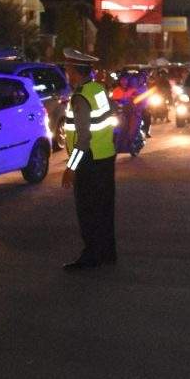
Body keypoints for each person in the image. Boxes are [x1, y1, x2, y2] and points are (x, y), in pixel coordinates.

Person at [61, 48, 118, 270]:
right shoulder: (98, 89)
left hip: (90, 160)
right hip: (105, 156)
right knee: (104, 208)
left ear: (75, 71)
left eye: (68, 68)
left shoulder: (80, 97)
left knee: (88, 210)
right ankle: (107, 252)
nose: (67, 72)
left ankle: (91, 255)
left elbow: (83, 138)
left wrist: (71, 167)